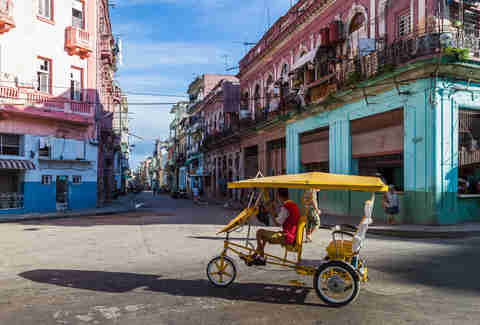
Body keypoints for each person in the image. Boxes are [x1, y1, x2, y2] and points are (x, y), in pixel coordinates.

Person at [248, 188, 301, 266]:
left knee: (259, 232)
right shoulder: (293, 205)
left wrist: (270, 211)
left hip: (287, 236)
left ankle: (261, 258)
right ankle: (255, 256)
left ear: (279, 196)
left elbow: (277, 223)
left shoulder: (286, 207)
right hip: (290, 234)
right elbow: (281, 218)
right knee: (264, 235)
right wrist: (273, 211)